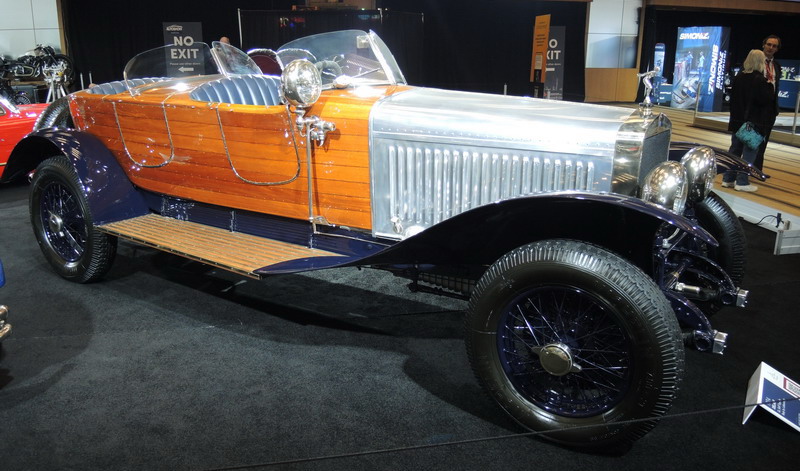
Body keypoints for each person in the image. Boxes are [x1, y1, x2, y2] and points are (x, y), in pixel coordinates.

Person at [723, 49, 774, 192]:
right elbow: (765, 100)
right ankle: (742, 182)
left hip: (737, 120)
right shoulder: (760, 80)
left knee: (735, 150)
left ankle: (728, 179)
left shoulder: (739, 77)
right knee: (750, 151)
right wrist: (770, 85)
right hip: (752, 122)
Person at [753, 35, 782, 171]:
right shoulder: (755, 62)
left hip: (770, 109)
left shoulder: (777, 66)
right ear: (763, 45)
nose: (771, 48)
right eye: (769, 44)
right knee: (751, 139)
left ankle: (757, 169)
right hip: (756, 107)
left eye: (774, 46)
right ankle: (744, 168)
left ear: (777, 49)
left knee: (764, 140)